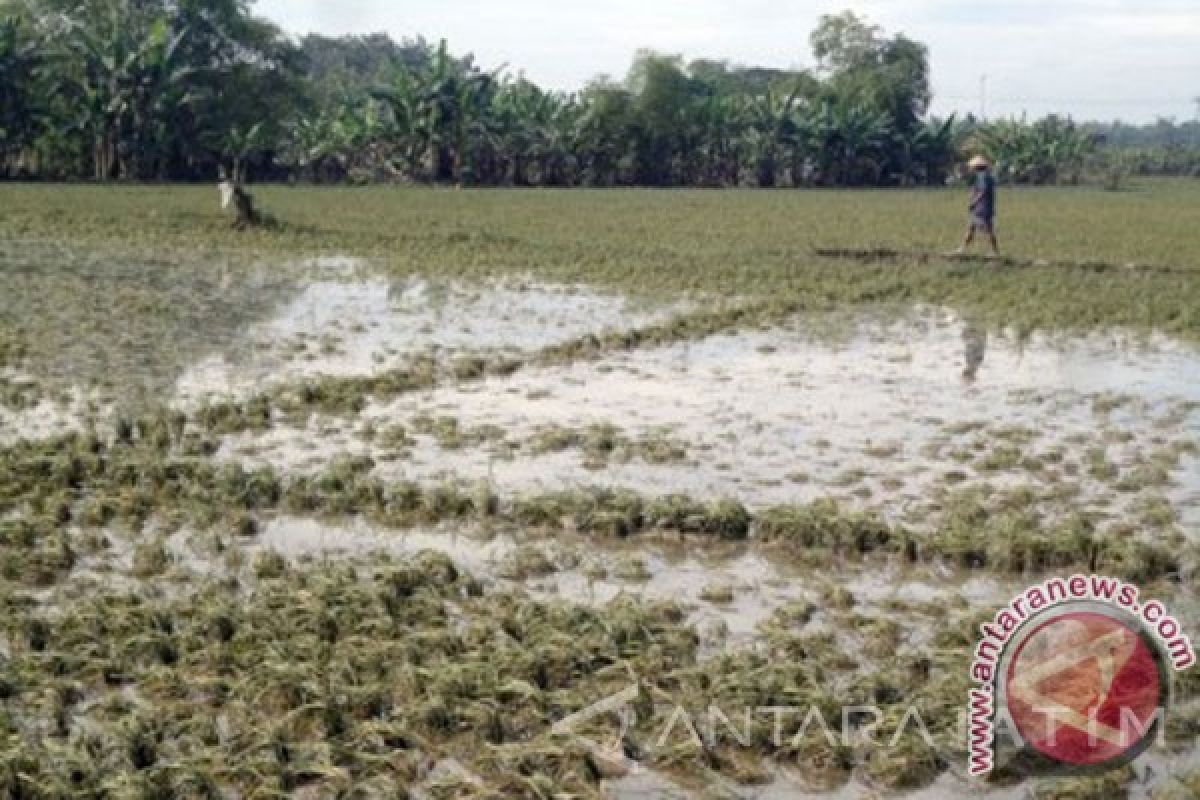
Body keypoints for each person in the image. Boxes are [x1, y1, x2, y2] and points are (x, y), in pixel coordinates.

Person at [953, 155, 999, 256]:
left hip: (983, 207)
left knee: (987, 229)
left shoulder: (982, 177)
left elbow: (982, 191)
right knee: (971, 227)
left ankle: (995, 252)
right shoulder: (986, 177)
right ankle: (962, 248)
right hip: (982, 207)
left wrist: (974, 201)